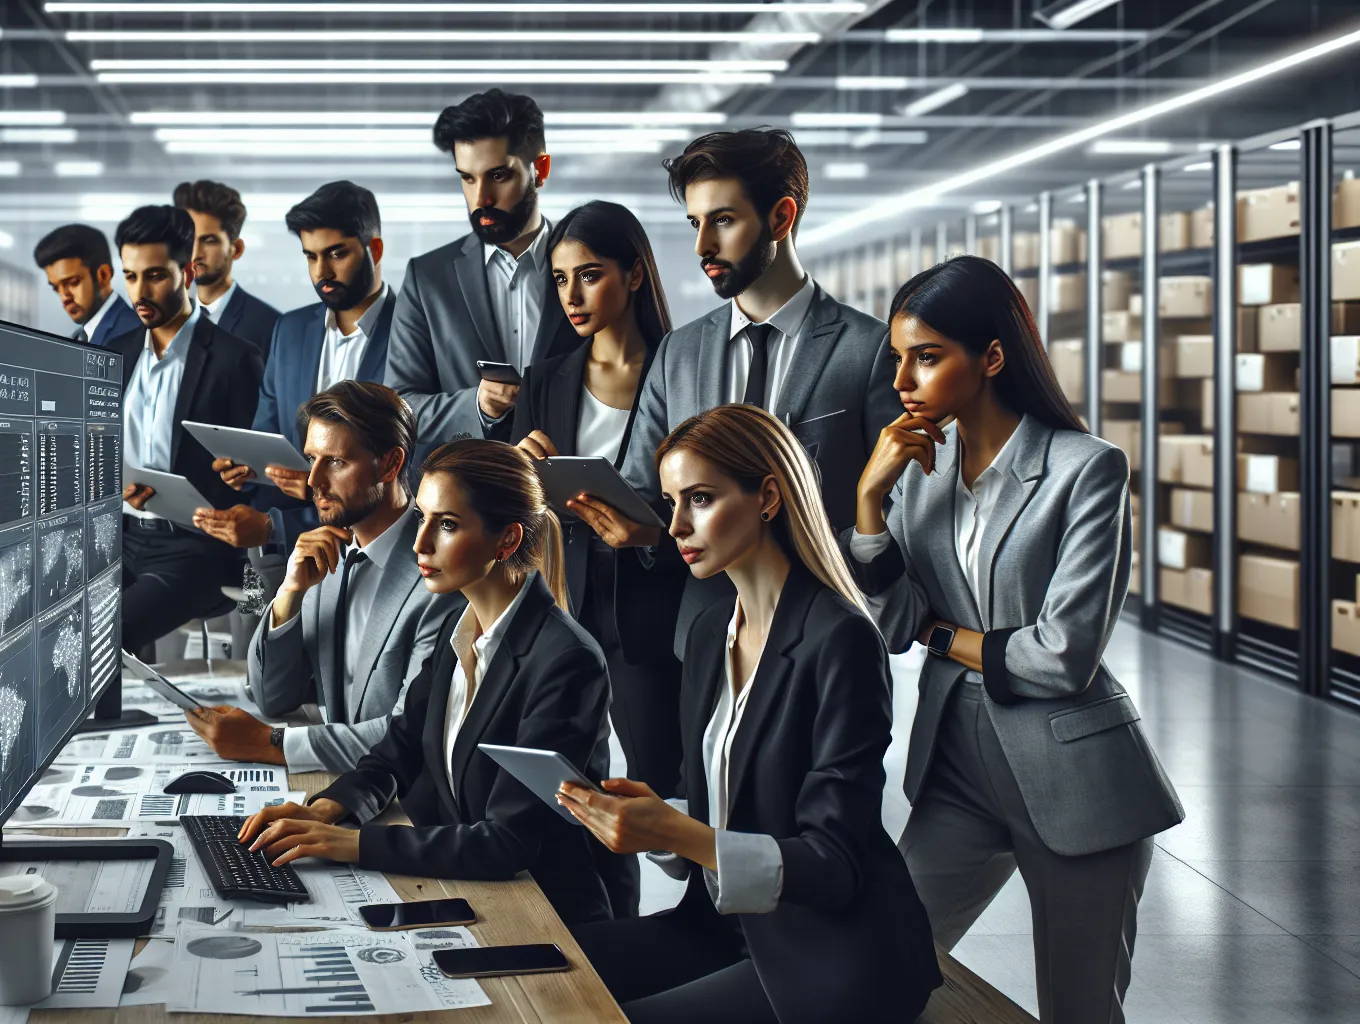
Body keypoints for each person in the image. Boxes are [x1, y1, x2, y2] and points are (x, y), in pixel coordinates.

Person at [844, 256, 1182, 1024]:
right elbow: (894, 624)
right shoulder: (922, 474)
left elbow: (1062, 655)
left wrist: (942, 632)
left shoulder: (1085, 470)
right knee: (879, 966)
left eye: (926, 357)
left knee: (1078, 1009)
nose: (903, 380)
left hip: (1074, 778)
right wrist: (870, 497)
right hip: (957, 773)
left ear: (992, 357)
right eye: (898, 358)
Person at [563, 404, 940, 1024]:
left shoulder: (840, 638)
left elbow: (835, 866)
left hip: (828, 953)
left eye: (700, 499)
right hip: (719, 928)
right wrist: (651, 819)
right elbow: (725, 816)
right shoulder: (712, 632)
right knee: (544, 966)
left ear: (767, 496)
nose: (677, 525)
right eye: (670, 502)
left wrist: (672, 832)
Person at [237, 439, 627, 926]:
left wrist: (350, 843)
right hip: (471, 888)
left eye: (446, 525)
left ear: (506, 540)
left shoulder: (567, 660)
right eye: (421, 518)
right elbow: (397, 749)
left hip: (549, 915)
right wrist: (325, 810)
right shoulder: (456, 626)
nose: (420, 544)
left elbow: (508, 841)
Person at [595, 128, 901, 656]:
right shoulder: (678, 354)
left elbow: (900, 508)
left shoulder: (869, 349)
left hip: (827, 636)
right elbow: (643, 490)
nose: (702, 246)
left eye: (724, 220)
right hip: (706, 637)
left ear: (782, 217)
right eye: (695, 223)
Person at [495, 200, 686, 797]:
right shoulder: (546, 378)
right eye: (559, 279)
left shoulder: (680, 373)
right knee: (561, 778)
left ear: (633, 274)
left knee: (661, 777)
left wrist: (651, 531)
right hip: (562, 596)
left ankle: (689, 877)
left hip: (649, 601)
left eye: (589, 274)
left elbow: (701, 499)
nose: (571, 296)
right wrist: (519, 469)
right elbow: (514, 510)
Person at [186, 381, 461, 772]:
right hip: (344, 781)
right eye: (311, 458)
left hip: (403, 799)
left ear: (390, 464)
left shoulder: (440, 572)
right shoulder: (327, 554)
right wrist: (288, 595)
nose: (312, 481)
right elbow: (273, 698)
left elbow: (408, 735)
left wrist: (272, 744)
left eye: (335, 462)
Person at [194, 181, 398, 560]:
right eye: (311, 256)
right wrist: (245, 466)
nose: (323, 271)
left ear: (375, 249)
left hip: (379, 547)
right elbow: (266, 433)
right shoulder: (289, 331)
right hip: (288, 550)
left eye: (337, 254)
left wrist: (318, 488)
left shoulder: (411, 332)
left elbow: (413, 466)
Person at [384, 89, 583, 457]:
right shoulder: (427, 279)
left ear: (540, 170)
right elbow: (399, 406)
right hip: (464, 498)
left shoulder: (591, 268)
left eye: (498, 176)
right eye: (468, 178)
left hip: (572, 496)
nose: (481, 199)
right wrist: (476, 406)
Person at [110, 204, 264, 652]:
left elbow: (258, 479)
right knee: (46, 618)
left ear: (189, 272)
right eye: (131, 275)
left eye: (155, 275)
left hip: (197, 550)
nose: (140, 290)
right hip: (121, 538)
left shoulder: (236, 359)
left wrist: (242, 475)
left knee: (107, 635)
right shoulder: (115, 356)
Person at [173, 179, 281, 358]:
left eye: (209, 241)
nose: (195, 253)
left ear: (236, 249)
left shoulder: (271, 326)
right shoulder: (170, 320)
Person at [32, 223, 140, 348]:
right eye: (56, 288)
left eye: (72, 283)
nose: (64, 298)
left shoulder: (133, 333)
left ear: (103, 275)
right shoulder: (79, 336)